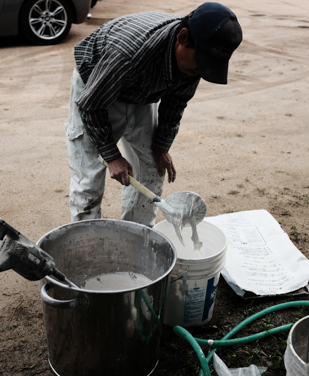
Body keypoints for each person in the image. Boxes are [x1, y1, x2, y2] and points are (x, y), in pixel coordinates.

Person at [65, 2, 243, 227]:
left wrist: (161, 146)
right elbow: (91, 105)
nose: (199, 73)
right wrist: (111, 156)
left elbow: (176, 102)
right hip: (96, 88)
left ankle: (136, 237)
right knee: (89, 180)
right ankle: (85, 245)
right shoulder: (129, 53)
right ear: (183, 38)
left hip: (141, 90)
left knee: (152, 167)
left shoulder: (193, 61)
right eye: (200, 64)